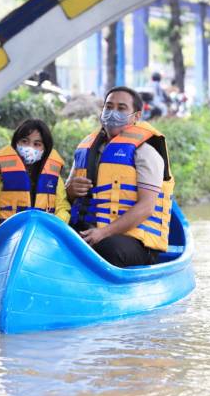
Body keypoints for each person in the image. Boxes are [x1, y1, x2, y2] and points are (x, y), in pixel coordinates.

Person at [65, 86, 175, 267]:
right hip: (91, 230)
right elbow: (66, 194)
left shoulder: (146, 153)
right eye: (108, 106)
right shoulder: (86, 149)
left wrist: (103, 233)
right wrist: (70, 190)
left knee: (105, 249)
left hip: (135, 241)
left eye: (121, 108)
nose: (112, 112)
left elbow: (146, 207)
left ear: (137, 116)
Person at [0, 119, 71, 254]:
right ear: (16, 144)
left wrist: (52, 234)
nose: (30, 148)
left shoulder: (55, 179)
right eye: (25, 142)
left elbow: (63, 209)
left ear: (45, 149)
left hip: (43, 242)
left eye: (37, 144)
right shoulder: (0, 177)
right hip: (8, 242)